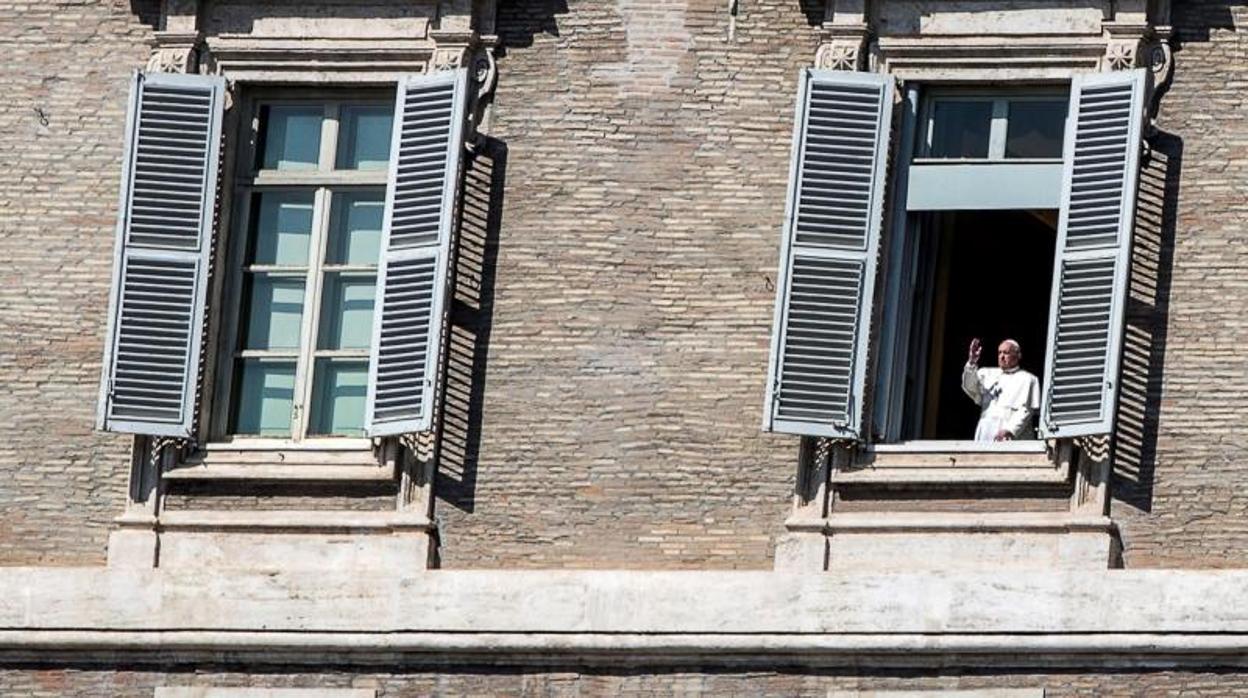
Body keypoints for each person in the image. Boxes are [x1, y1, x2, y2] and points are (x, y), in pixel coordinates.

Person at [962, 338, 1040, 442]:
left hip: (1010, 430)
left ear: (1018, 356)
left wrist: (1010, 429)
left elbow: (1026, 410)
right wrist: (972, 363)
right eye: (1000, 353)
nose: (1002, 356)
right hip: (986, 428)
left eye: (1006, 353)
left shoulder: (1028, 379)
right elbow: (969, 387)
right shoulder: (986, 374)